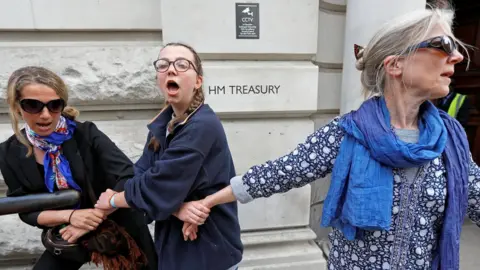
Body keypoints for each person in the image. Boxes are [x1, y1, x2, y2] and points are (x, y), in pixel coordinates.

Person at [177, 7, 480, 270]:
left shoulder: (450, 142)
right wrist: (209, 201)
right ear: (395, 64)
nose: (456, 56)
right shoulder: (348, 133)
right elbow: (283, 172)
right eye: (443, 44)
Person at [94, 42, 243, 270]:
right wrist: (177, 208)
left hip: (207, 251)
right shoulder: (163, 124)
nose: (171, 69)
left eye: (182, 64)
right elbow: (141, 173)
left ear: (198, 81)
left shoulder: (202, 125)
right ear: (158, 79)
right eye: (163, 65)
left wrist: (113, 200)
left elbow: (156, 187)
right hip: (176, 248)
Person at [0, 66, 158, 270]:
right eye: (33, 105)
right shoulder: (9, 152)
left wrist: (93, 217)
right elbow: (25, 209)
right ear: (16, 106)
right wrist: (72, 217)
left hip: (118, 224)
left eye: (54, 105)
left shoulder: (87, 134)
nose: (46, 115)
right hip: (68, 231)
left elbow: (128, 176)